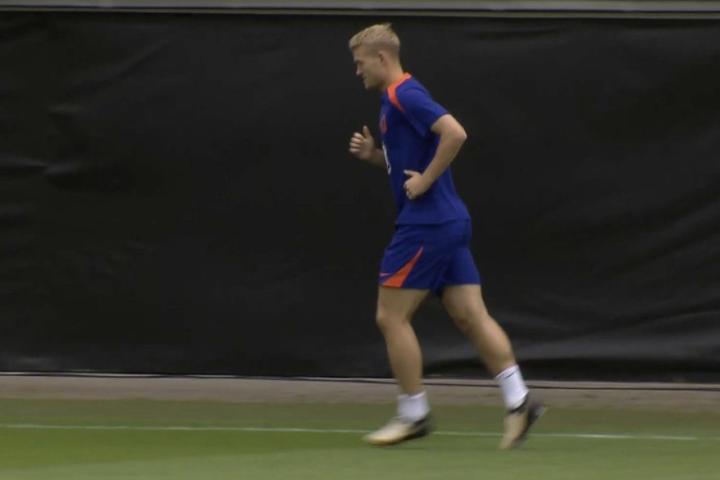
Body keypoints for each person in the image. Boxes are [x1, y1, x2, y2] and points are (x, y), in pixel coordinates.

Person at [348, 23, 543, 449]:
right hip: (448, 222)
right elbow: (407, 162)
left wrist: (425, 181)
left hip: (427, 224)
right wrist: (375, 157)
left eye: (360, 63)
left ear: (382, 58)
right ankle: (520, 401)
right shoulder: (392, 100)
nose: (357, 71)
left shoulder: (405, 94)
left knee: (390, 317)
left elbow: (455, 133)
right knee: (470, 316)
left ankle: (413, 414)